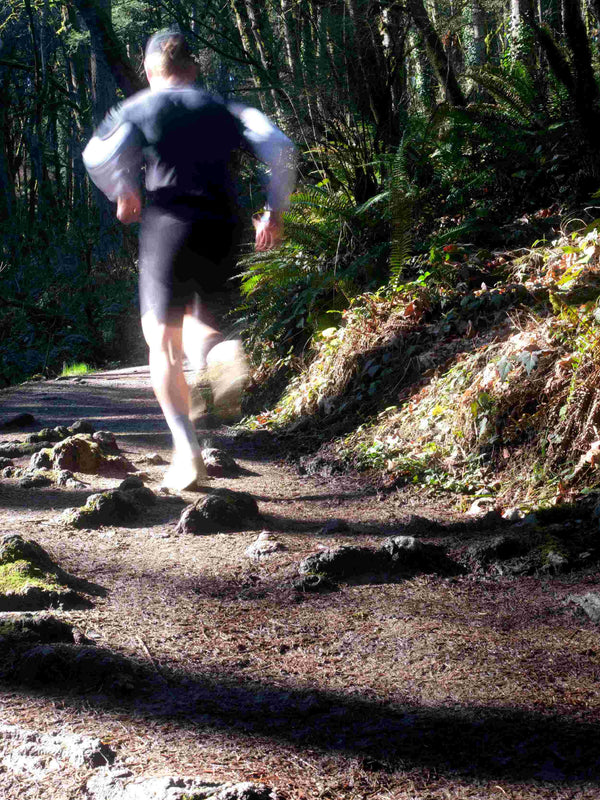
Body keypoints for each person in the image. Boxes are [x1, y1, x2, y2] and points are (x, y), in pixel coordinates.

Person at [83, 29, 296, 491]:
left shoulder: (138, 109)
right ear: (193, 67)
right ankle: (218, 354)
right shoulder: (224, 107)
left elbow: (95, 154)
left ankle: (188, 453)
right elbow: (280, 146)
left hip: (169, 224)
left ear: (149, 69)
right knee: (200, 323)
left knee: (160, 343)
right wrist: (274, 212)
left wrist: (123, 189)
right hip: (225, 225)